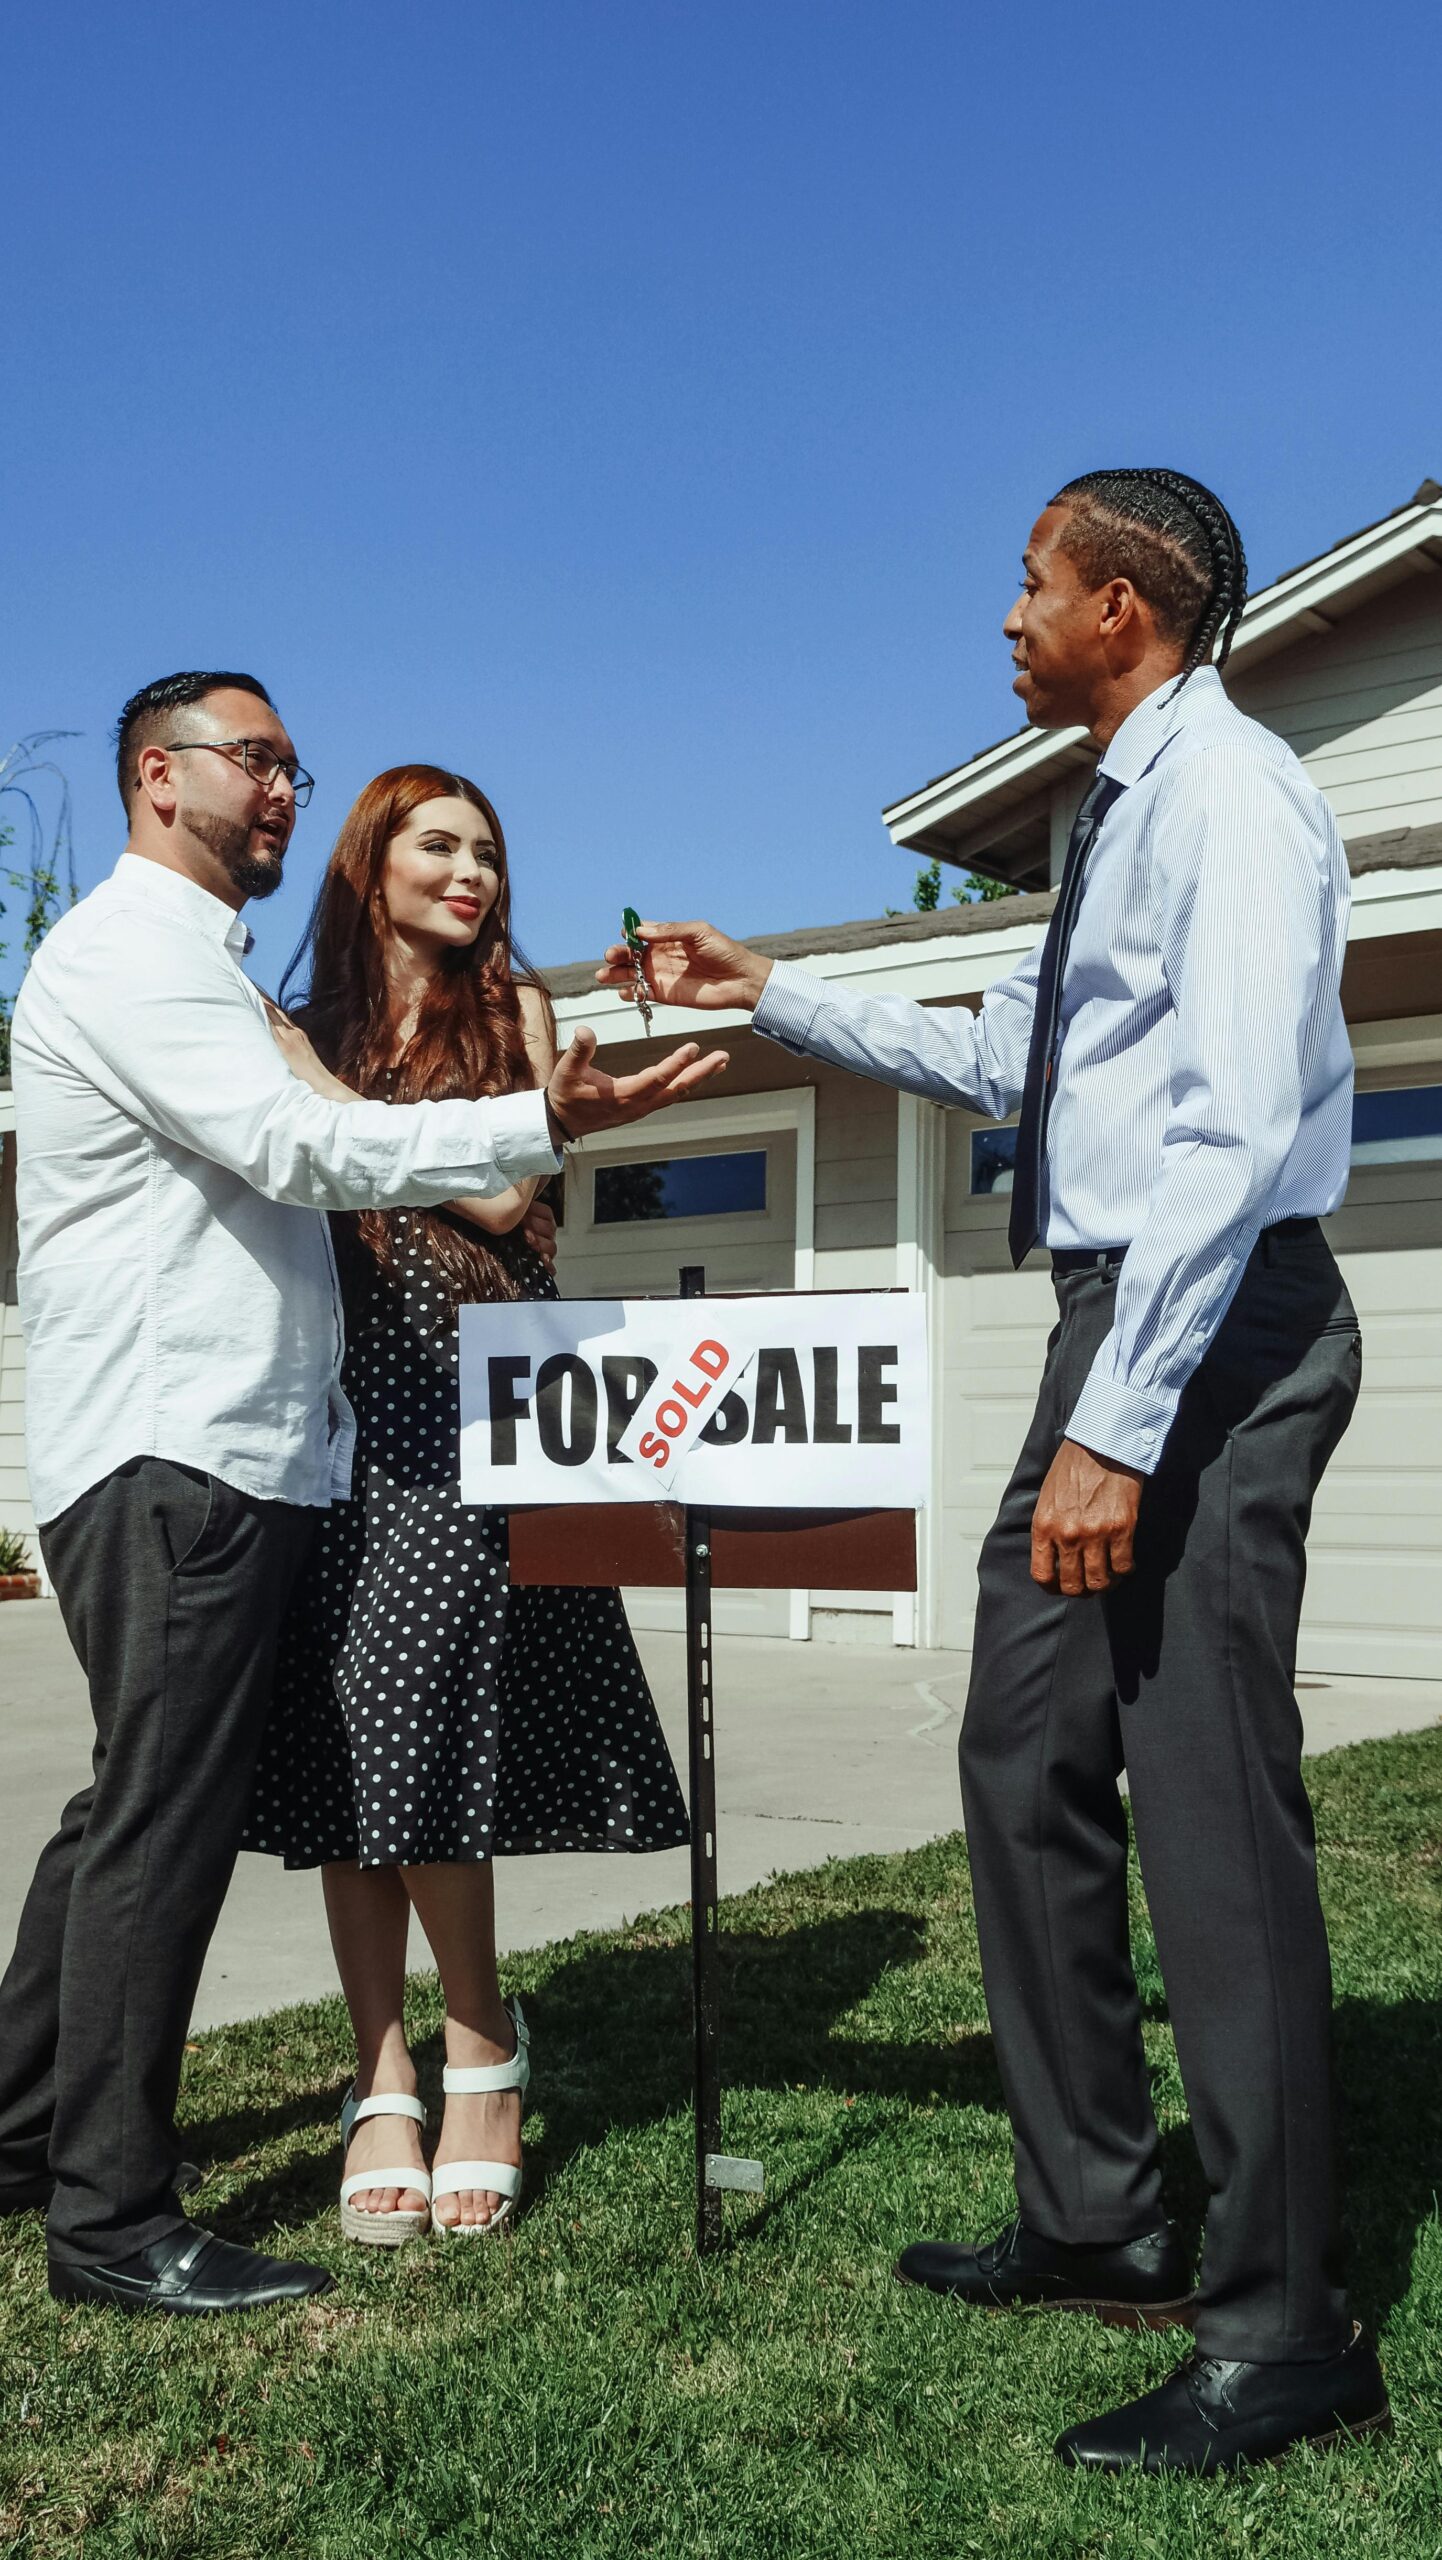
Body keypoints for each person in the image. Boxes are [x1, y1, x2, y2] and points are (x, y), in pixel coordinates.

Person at [596, 470, 1391, 2474]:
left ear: (1123, 601)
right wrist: (762, 988)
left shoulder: (1227, 798)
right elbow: (1011, 1060)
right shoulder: (1109, 809)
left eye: (1031, 583)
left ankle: (1286, 2319)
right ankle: (1094, 2205)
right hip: (1111, 1323)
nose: (1007, 617)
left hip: (1209, 1331)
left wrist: (1122, 1420)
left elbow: (1220, 1132)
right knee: (1018, 1749)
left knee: (1206, 1802)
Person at [0, 671, 726, 2317]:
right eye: (251, 761)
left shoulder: (203, 965)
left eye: (289, 766)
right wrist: (535, 1116)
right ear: (153, 774)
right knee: (156, 1836)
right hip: (183, 1450)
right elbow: (301, 1150)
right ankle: (111, 2220)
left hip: (246, 1450)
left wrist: (522, 1114)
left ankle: (23, 2136)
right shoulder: (136, 955)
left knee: (122, 1810)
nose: (277, 788)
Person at [244, 765, 688, 2241]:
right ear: (372, 864)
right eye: (439, 846)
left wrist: (316, 1092)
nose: (472, 873)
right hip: (337, 1402)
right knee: (344, 1744)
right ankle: (382, 2069)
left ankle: (483, 2043)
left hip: (477, 1399)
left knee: (425, 1728)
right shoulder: (300, 1027)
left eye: (488, 851)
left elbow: (503, 1199)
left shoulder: (516, 1020)